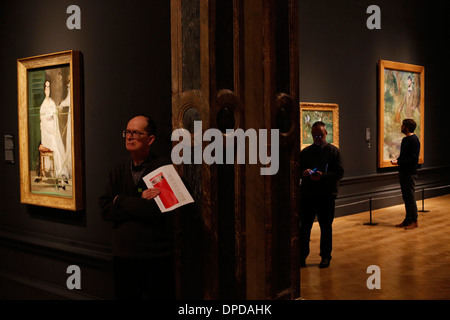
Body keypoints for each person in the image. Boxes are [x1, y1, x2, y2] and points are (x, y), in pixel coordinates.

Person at [99, 115, 175, 300]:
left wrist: (121, 200)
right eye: (127, 132)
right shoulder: (118, 169)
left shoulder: (162, 167)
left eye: (136, 133)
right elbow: (105, 209)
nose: (129, 137)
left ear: (150, 139)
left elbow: (155, 210)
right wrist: (139, 200)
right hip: (124, 257)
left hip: (155, 258)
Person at [299, 121, 344, 268]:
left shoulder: (333, 152)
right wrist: (304, 173)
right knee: (304, 227)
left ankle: (325, 257)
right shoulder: (305, 152)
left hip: (326, 196)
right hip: (308, 196)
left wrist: (322, 176)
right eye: (314, 135)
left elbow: (339, 172)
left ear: (326, 134)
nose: (317, 138)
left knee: (326, 228)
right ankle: (302, 256)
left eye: (320, 135)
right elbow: (297, 169)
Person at [391, 118, 420, 230]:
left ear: (407, 127)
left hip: (410, 173)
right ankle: (408, 219)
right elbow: (404, 156)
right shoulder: (405, 140)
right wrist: (397, 160)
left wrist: (399, 161)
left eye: (403, 125)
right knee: (406, 197)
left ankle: (414, 220)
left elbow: (413, 159)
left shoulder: (414, 140)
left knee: (410, 197)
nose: (401, 127)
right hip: (403, 172)